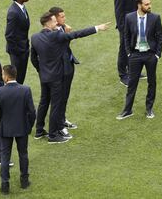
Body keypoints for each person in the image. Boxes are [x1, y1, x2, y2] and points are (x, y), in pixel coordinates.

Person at [31, 12, 110, 143]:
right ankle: (53, 135)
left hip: (44, 76)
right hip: (56, 77)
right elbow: (77, 34)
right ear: (48, 23)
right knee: (56, 105)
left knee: (44, 102)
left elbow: (33, 57)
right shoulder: (56, 35)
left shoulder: (34, 37)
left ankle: (39, 131)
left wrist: (41, 70)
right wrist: (97, 28)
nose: (57, 23)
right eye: (54, 21)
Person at [117, 0, 162, 120]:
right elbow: (126, 36)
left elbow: (160, 36)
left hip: (150, 55)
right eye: (146, 4)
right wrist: (128, 53)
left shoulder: (155, 18)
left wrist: (157, 55)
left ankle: (149, 109)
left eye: (149, 3)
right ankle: (127, 110)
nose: (149, 6)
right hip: (135, 55)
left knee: (152, 82)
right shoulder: (129, 17)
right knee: (132, 83)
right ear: (139, 5)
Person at [0, 65, 36, 195]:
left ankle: (5, 185)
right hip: (22, 128)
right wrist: (28, 127)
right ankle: (24, 181)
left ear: (6, 76)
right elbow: (32, 112)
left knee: (5, 157)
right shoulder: (25, 90)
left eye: (2, 74)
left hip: (5, 129)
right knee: (23, 154)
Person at [114, 0, 146, 87]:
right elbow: (118, 12)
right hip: (126, 27)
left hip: (136, 23)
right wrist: (123, 29)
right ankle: (123, 75)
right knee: (124, 50)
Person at [48, 7, 78, 130]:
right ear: (54, 18)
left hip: (68, 66)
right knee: (59, 98)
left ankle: (62, 119)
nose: (64, 18)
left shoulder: (61, 28)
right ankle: (59, 125)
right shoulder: (52, 33)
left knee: (65, 96)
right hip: (60, 69)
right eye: (62, 16)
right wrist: (68, 35)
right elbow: (59, 49)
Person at [5, 0, 30, 84]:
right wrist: (19, 51)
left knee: (21, 78)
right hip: (18, 52)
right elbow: (9, 35)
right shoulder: (13, 12)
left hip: (23, 49)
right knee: (17, 80)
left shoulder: (21, 8)